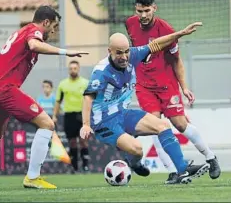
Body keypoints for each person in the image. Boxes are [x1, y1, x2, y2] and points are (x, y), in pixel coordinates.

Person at [0, 6, 88, 190]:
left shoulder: (22, 32)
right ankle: (33, 177)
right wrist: (64, 52)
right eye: (53, 26)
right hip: (4, 89)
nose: (53, 31)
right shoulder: (32, 31)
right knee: (47, 124)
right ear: (45, 22)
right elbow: (35, 45)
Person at [80, 23, 210, 184]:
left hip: (122, 113)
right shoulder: (101, 72)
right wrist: (86, 124)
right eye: (119, 53)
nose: (124, 57)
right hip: (104, 122)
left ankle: (182, 169)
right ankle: (134, 162)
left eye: (126, 51)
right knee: (137, 149)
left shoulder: (133, 55)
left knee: (163, 126)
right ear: (110, 52)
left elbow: (156, 44)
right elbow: (88, 97)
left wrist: (180, 33)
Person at [125, 0, 221, 184]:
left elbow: (176, 61)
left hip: (167, 85)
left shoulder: (166, 30)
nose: (142, 16)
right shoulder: (130, 24)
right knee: (155, 126)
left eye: (146, 11)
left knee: (180, 125)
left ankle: (211, 158)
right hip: (144, 86)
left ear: (154, 8)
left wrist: (184, 87)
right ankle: (173, 172)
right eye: (139, 11)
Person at [53, 61, 90, 173]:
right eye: (71, 68)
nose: (73, 70)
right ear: (68, 70)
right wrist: (54, 115)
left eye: (75, 68)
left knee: (83, 141)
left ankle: (85, 166)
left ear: (78, 69)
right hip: (69, 116)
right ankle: (74, 168)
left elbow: (90, 100)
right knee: (72, 142)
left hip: (82, 115)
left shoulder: (85, 83)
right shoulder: (63, 84)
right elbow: (58, 101)